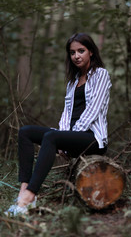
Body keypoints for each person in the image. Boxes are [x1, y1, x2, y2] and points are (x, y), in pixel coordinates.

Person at [5, 33, 112, 216]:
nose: (76, 56)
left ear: (91, 52)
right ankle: (23, 190)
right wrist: (65, 135)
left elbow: (93, 111)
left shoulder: (100, 74)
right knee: (25, 132)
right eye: (72, 52)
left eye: (81, 51)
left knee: (51, 136)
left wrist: (65, 139)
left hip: (92, 138)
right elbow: (66, 113)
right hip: (73, 136)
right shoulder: (73, 81)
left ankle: (29, 197)